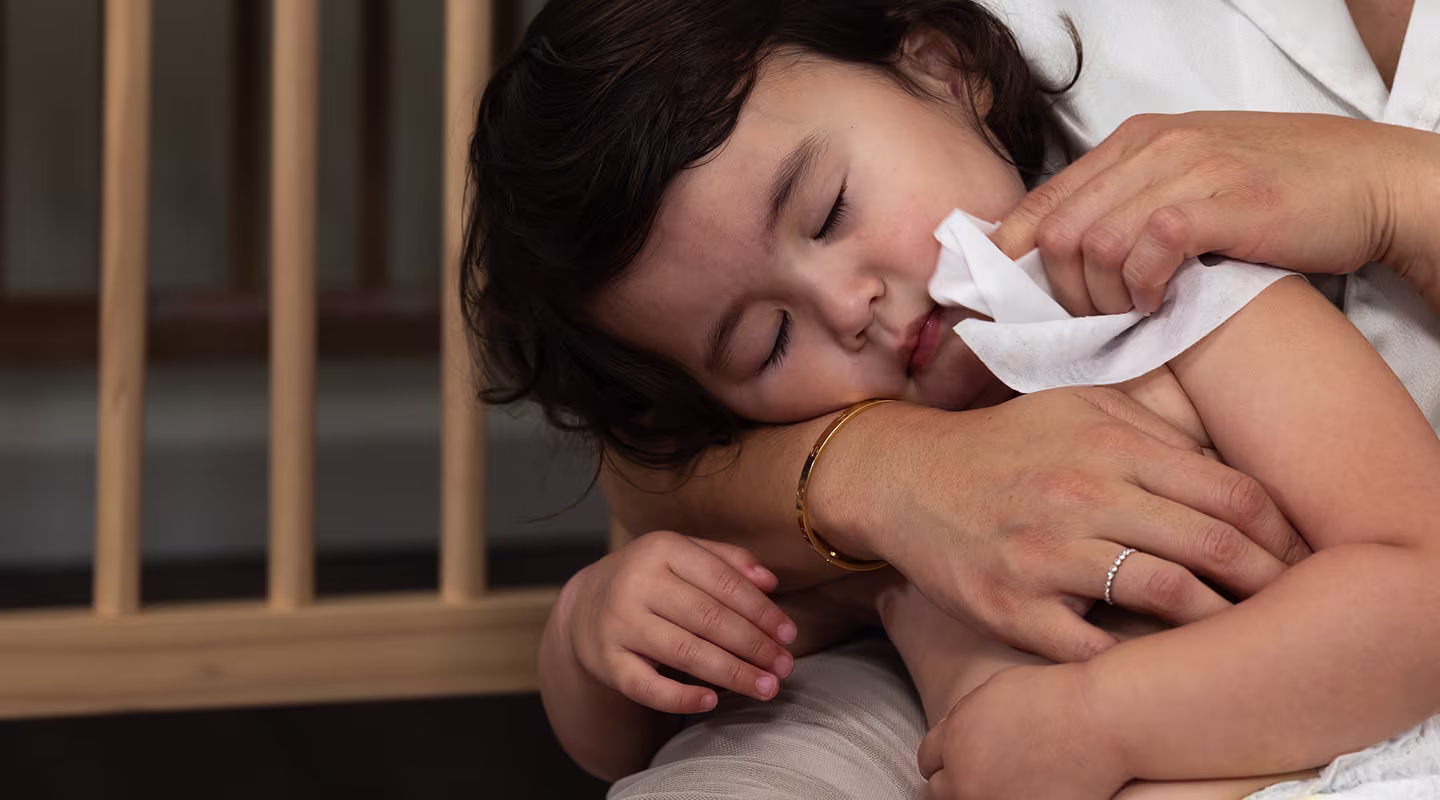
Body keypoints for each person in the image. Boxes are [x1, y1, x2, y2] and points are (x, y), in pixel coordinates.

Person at [466, 0, 1440, 797]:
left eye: (828, 211)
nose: (847, 307)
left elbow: (1421, 590)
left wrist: (1102, 721)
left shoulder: (1184, 296)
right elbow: (650, 718)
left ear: (944, 69)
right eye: (766, 341)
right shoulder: (883, 499)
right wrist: (594, 636)